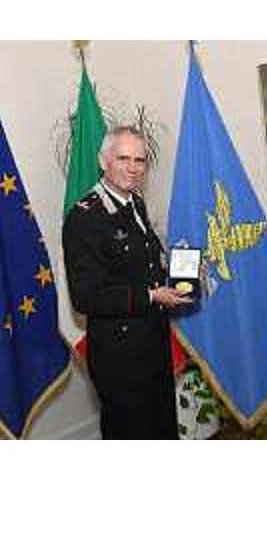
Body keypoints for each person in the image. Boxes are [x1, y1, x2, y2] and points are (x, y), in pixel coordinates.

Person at [62, 126, 192, 439]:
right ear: (103, 161)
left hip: (153, 343)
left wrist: (181, 272)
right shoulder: (85, 217)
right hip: (120, 357)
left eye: (139, 160)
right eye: (123, 158)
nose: (133, 168)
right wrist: (151, 296)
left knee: (162, 431)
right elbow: (86, 297)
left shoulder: (134, 202)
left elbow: (141, 268)